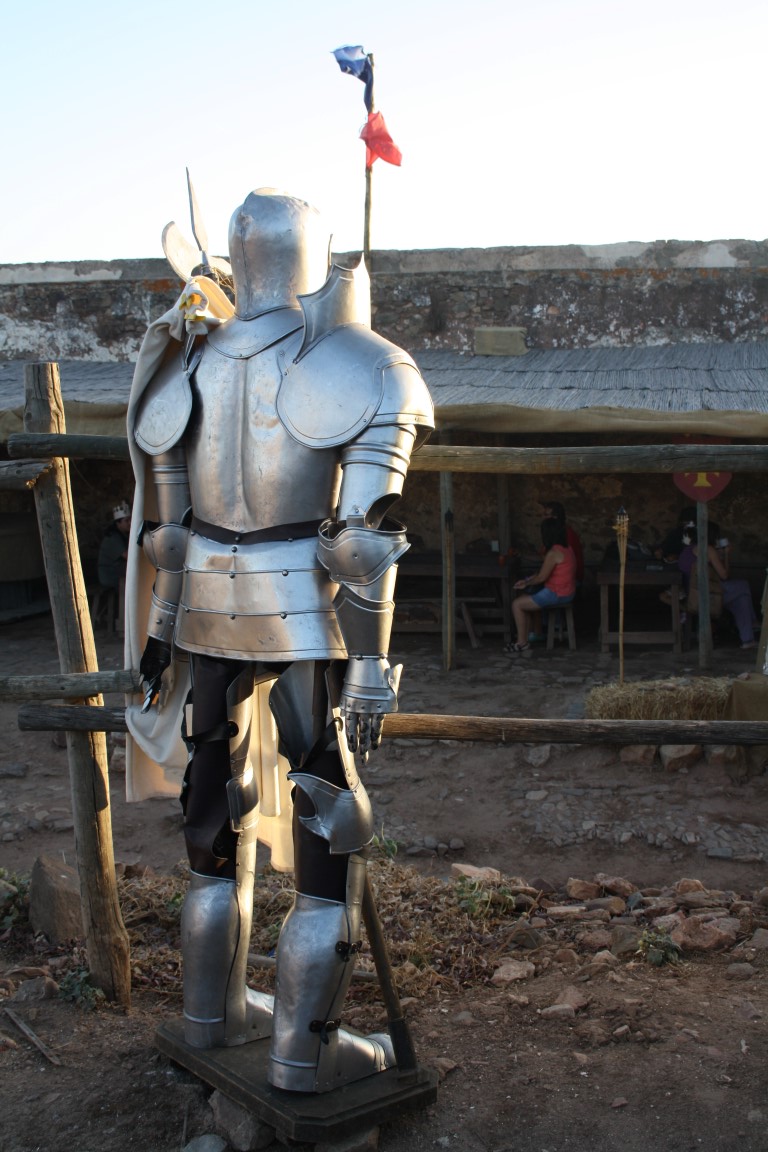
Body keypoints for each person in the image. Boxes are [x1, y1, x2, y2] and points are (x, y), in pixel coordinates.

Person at [123, 188, 434, 1094]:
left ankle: (210, 1018)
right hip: (303, 611)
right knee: (332, 811)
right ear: (313, 256)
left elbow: (170, 537)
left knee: (211, 803)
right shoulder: (366, 363)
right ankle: (304, 1055)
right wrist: (370, 663)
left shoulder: (188, 362)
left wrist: (157, 634)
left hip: (205, 616)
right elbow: (361, 539)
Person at [678, 525, 759, 649]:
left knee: (741, 599)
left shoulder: (686, 550)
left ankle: (748, 640)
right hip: (707, 596)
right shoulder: (708, 549)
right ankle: (753, 623)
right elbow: (724, 575)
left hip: (691, 594)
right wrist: (725, 555)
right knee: (743, 585)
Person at [505, 519, 577, 654]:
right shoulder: (567, 548)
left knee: (517, 604)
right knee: (524, 598)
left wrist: (525, 583)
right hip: (568, 591)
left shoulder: (553, 553)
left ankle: (522, 643)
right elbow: (544, 571)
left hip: (557, 593)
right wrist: (527, 581)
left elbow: (541, 578)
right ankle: (526, 637)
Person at [541, 500, 584, 582]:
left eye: (546, 515)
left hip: (569, 580)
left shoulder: (566, 534)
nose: (543, 517)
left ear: (555, 517)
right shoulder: (556, 533)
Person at [97, 502, 131, 589]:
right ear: (118, 523)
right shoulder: (113, 538)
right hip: (110, 575)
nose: (130, 523)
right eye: (126, 521)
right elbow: (128, 556)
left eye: (130, 520)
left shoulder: (123, 535)